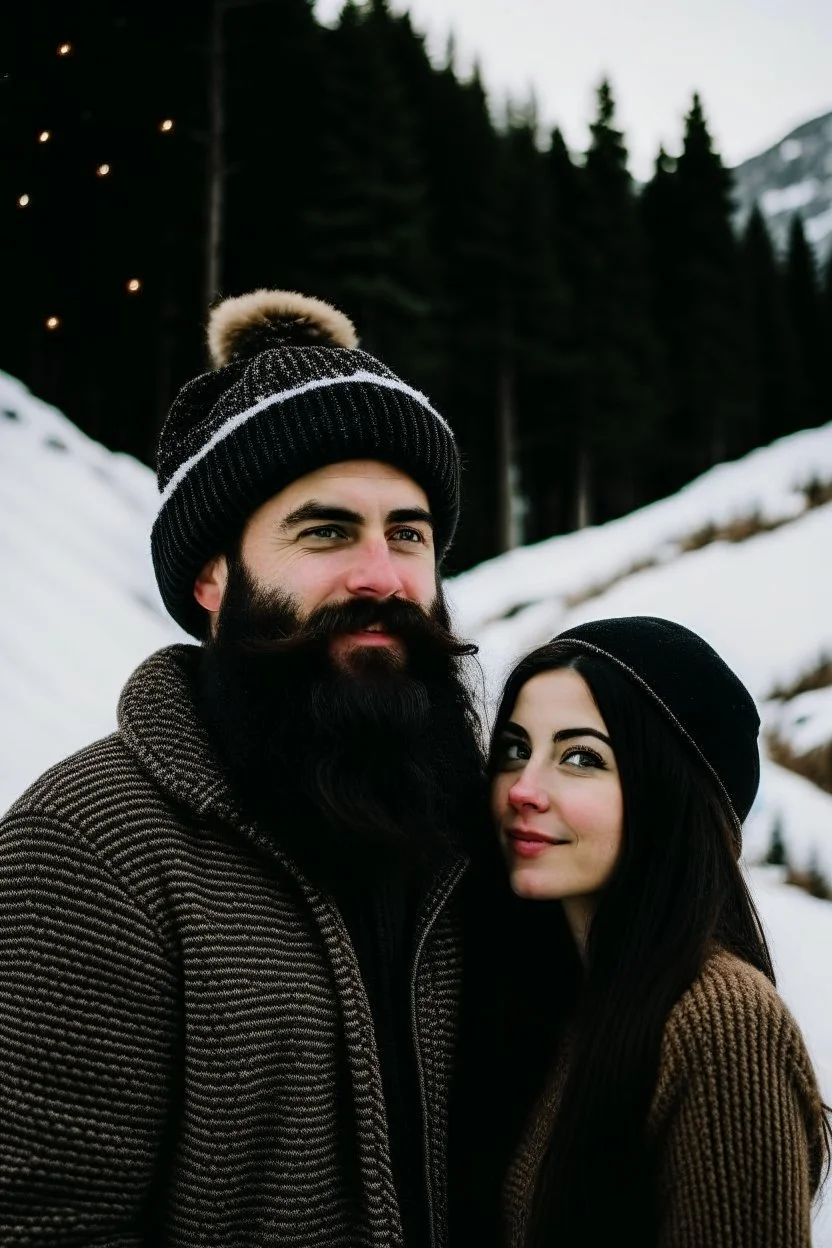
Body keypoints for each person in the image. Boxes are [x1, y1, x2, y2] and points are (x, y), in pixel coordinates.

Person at [0, 289, 486, 1247]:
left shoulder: (477, 827)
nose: (383, 577)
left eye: (410, 533)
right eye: (326, 532)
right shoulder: (87, 852)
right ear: (211, 580)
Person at [485, 616, 830, 1248]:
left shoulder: (721, 1026)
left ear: (669, 794)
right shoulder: (554, 999)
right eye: (514, 748)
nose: (524, 789)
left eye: (581, 757)